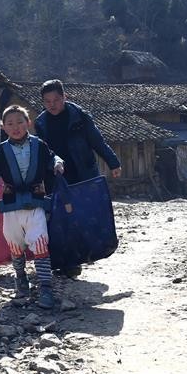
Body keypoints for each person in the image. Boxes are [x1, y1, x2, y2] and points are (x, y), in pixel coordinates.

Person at [34, 79, 121, 278]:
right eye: (47, 101)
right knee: (61, 219)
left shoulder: (79, 116)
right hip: (56, 177)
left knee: (84, 217)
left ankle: (89, 253)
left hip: (83, 173)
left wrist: (113, 162)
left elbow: (97, 140)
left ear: (65, 97)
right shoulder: (40, 123)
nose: (52, 105)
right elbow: (40, 152)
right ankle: (68, 262)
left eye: (56, 99)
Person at [0, 105, 64, 310]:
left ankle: (45, 286)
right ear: (3, 127)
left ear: (28, 123)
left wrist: (57, 163)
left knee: (40, 242)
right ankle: (21, 279)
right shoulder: (2, 150)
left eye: (19, 122)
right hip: (11, 206)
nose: (15, 127)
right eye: (10, 123)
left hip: (35, 202)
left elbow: (53, 156)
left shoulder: (39, 145)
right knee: (15, 244)